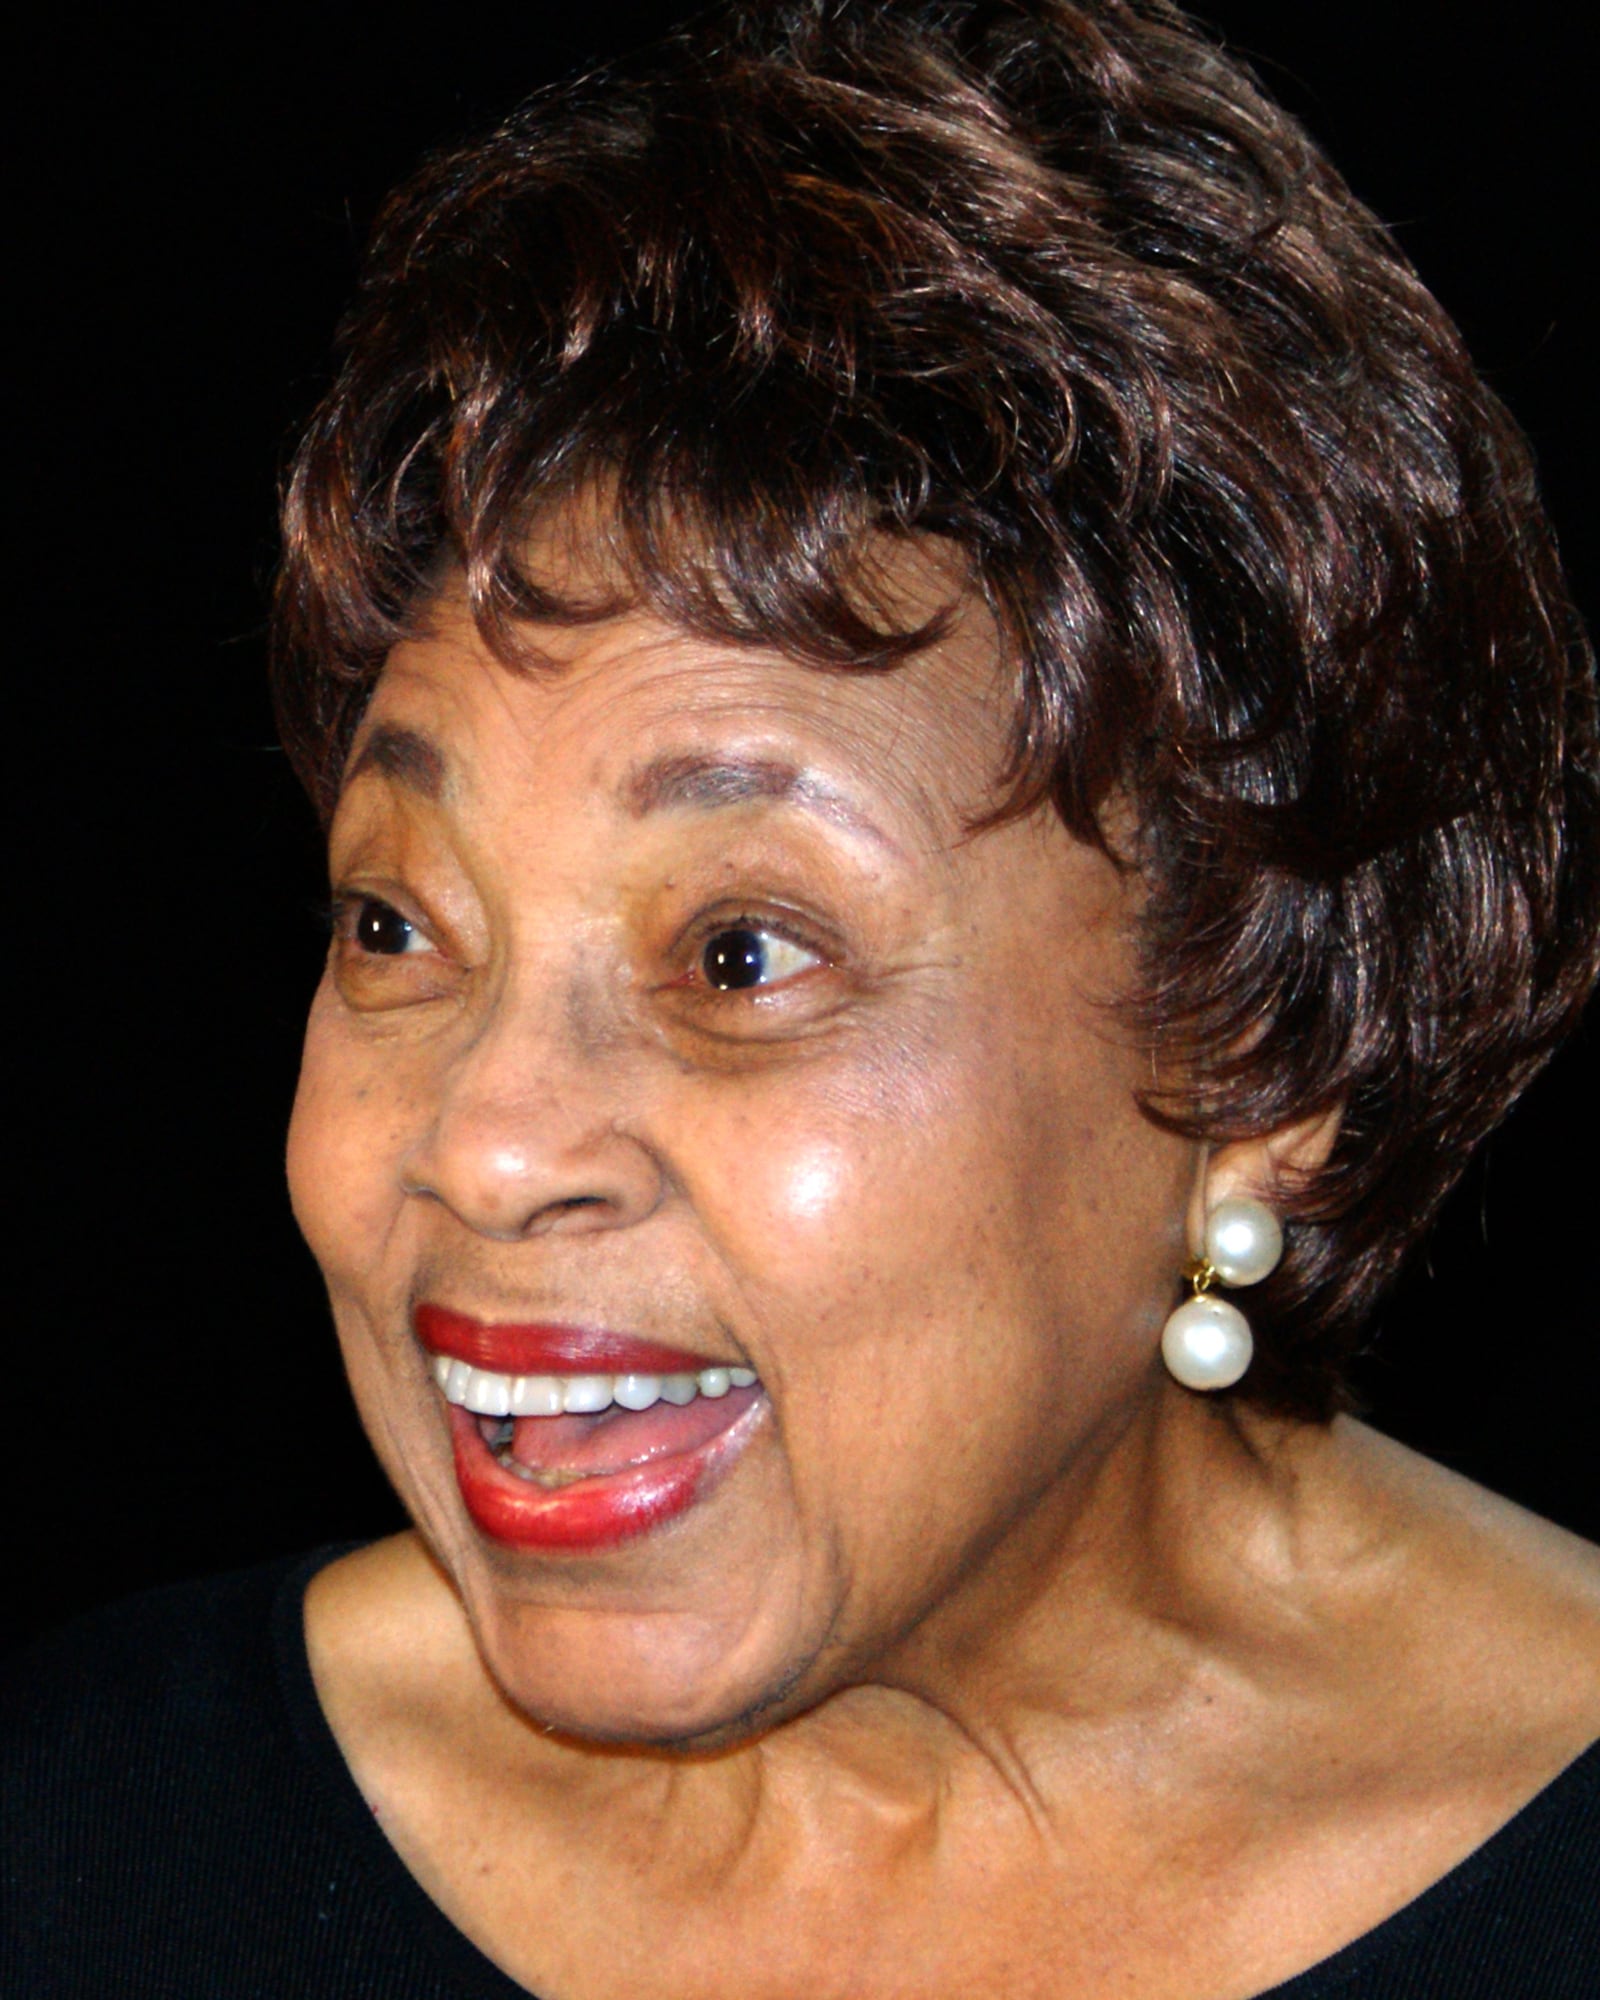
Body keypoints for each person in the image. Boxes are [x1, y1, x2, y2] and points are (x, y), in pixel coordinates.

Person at [5, 2, 1596, 1994]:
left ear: (1259, 1050)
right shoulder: (83, 1837)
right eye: (396, 926)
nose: (486, 1144)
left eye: (739, 955)